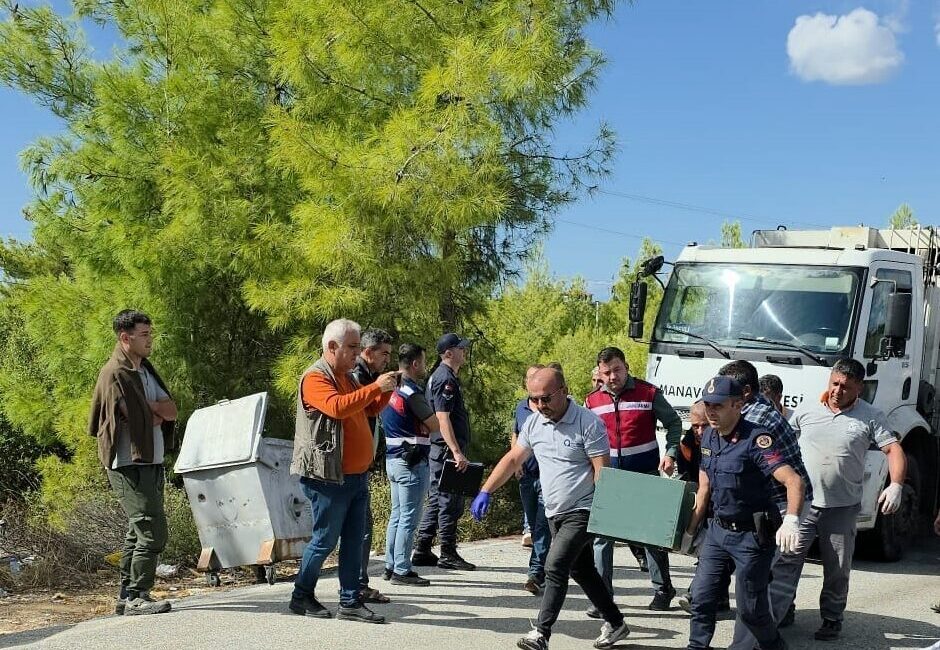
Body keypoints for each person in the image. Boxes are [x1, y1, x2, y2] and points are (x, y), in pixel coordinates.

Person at [470, 367, 631, 650]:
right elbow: (512, 459)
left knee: (554, 566)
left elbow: (601, 473)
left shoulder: (588, 423)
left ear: (564, 391)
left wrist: (604, 516)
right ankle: (616, 623)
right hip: (554, 510)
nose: (541, 406)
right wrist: (485, 490)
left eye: (546, 398)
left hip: (583, 509)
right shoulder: (534, 424)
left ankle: (541, 634)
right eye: (535, 400)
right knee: (582, 571)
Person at [763, 358, 907, 642]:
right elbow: (778, 443)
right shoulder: (806, 409)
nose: (838, 391)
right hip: (802, 504)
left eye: (846, 387)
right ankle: (778, 612)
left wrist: (897, 485)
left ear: (859, 389)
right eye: (835, 384)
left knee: (837, 569)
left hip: (841, 507)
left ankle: (831, 618)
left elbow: (893, 450)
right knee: (786, 560)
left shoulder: (871, 416)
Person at [682, 376, 805, 650]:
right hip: (717, 531)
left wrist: (792, 520)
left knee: (751, 611)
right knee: (701, 598)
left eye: (718, 406)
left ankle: (774, 646)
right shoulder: (710, 435)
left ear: (738, 405)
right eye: (708, 405)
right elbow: (705, 486)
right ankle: (696, 646)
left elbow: (794, 481)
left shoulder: (756, 439)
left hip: (751, 536)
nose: (711, 412)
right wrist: (689, 532)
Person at [289, 318, 399, 623]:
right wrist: (376, 385)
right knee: (324, 540)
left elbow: (368, 409)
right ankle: (301, 595)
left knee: (353, 540)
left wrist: (387, 390)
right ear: (332, 346)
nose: (357, 352)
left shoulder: (347, 376)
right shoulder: (315, 378)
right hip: (327, 477)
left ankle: (350, 602)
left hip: (355, 476)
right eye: (352, 347)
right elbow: (337, 407)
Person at [719, 361, 815, 649]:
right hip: (781, 502)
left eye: (727, 391)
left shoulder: (757, 421)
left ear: (745, 392)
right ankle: (768, 636)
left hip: (786, 505)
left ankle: (748, 644)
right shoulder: (752, 407)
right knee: (776, 575)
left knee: (755, 579)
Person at [89, 309, 177, 616]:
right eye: (144, 335)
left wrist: (152, 407)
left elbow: (170, 411)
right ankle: (139, 595)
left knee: (136, 529)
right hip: (128, 463)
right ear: (125, 338)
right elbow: (133, 415)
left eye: (150, 333)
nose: (150, 339)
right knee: (152, 530)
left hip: (151, 459)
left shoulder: (145, 370)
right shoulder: (114, 373)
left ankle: (127, 595)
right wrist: (153, 411)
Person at [585, 346, 683, 612]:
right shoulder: (592, 401)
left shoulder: (648, 393)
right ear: (600, 374)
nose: (612, 376)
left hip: (644, 475)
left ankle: (663, 590)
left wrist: (671, 453)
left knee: (650, 536)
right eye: (607, 372)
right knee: (602, 538)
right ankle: (603, 597)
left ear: (626, 367)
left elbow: (675, 424)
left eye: (616, 370)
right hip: (609, 478)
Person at [413, 332, 476, 571]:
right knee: (450, 499)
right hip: (445, 450)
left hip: (441, 449)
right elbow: (442, 418)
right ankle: (448, 552)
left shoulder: (444, 376)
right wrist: (456, 451)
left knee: (437, 499)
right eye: (461, 348)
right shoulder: (444, 378)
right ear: (448, 353)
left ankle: (422, 549)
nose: (464, 351)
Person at [380, 343, 439, 586]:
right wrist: (427, 424)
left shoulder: (390, 386)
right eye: (423, 362)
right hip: (412, 462)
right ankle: (402, 570)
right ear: (415, 364)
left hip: (393, 459)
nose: (424, 366)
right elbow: (434, 424)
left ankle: (390, 564)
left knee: (397, 515)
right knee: (409, 518)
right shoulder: (411, 393)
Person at [350, 328, 393, 605]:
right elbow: (360, 407)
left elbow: (374, 410)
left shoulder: (368, 377)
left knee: (360, 526)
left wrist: (387, 389)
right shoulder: (357, 375)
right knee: (359, 526)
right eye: (384, 354)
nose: (387, 360)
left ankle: (356, 584)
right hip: (351, 463)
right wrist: (379, 387)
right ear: (368, 352)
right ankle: (355, 586)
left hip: (361, 461)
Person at [676, 401, 732, 616]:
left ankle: (697, 595)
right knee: (712, 555)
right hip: (705, 503)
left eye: (703, 426)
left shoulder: (728, 442)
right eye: (695, 426)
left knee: (718, 556)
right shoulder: (688, 445)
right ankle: (710, 598)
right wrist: (691, 526)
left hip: (726, 505)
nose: (699, 431)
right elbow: (695, 485)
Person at [512, 364, 551, 595]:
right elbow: (516, 434)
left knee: (541, 525)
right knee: (535, 528)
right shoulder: (520, 408)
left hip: (547, 477)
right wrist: (515, 463)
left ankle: (535, 573)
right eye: (529, 378)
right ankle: (544, 567)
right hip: (526, 475)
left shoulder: (552, 407)